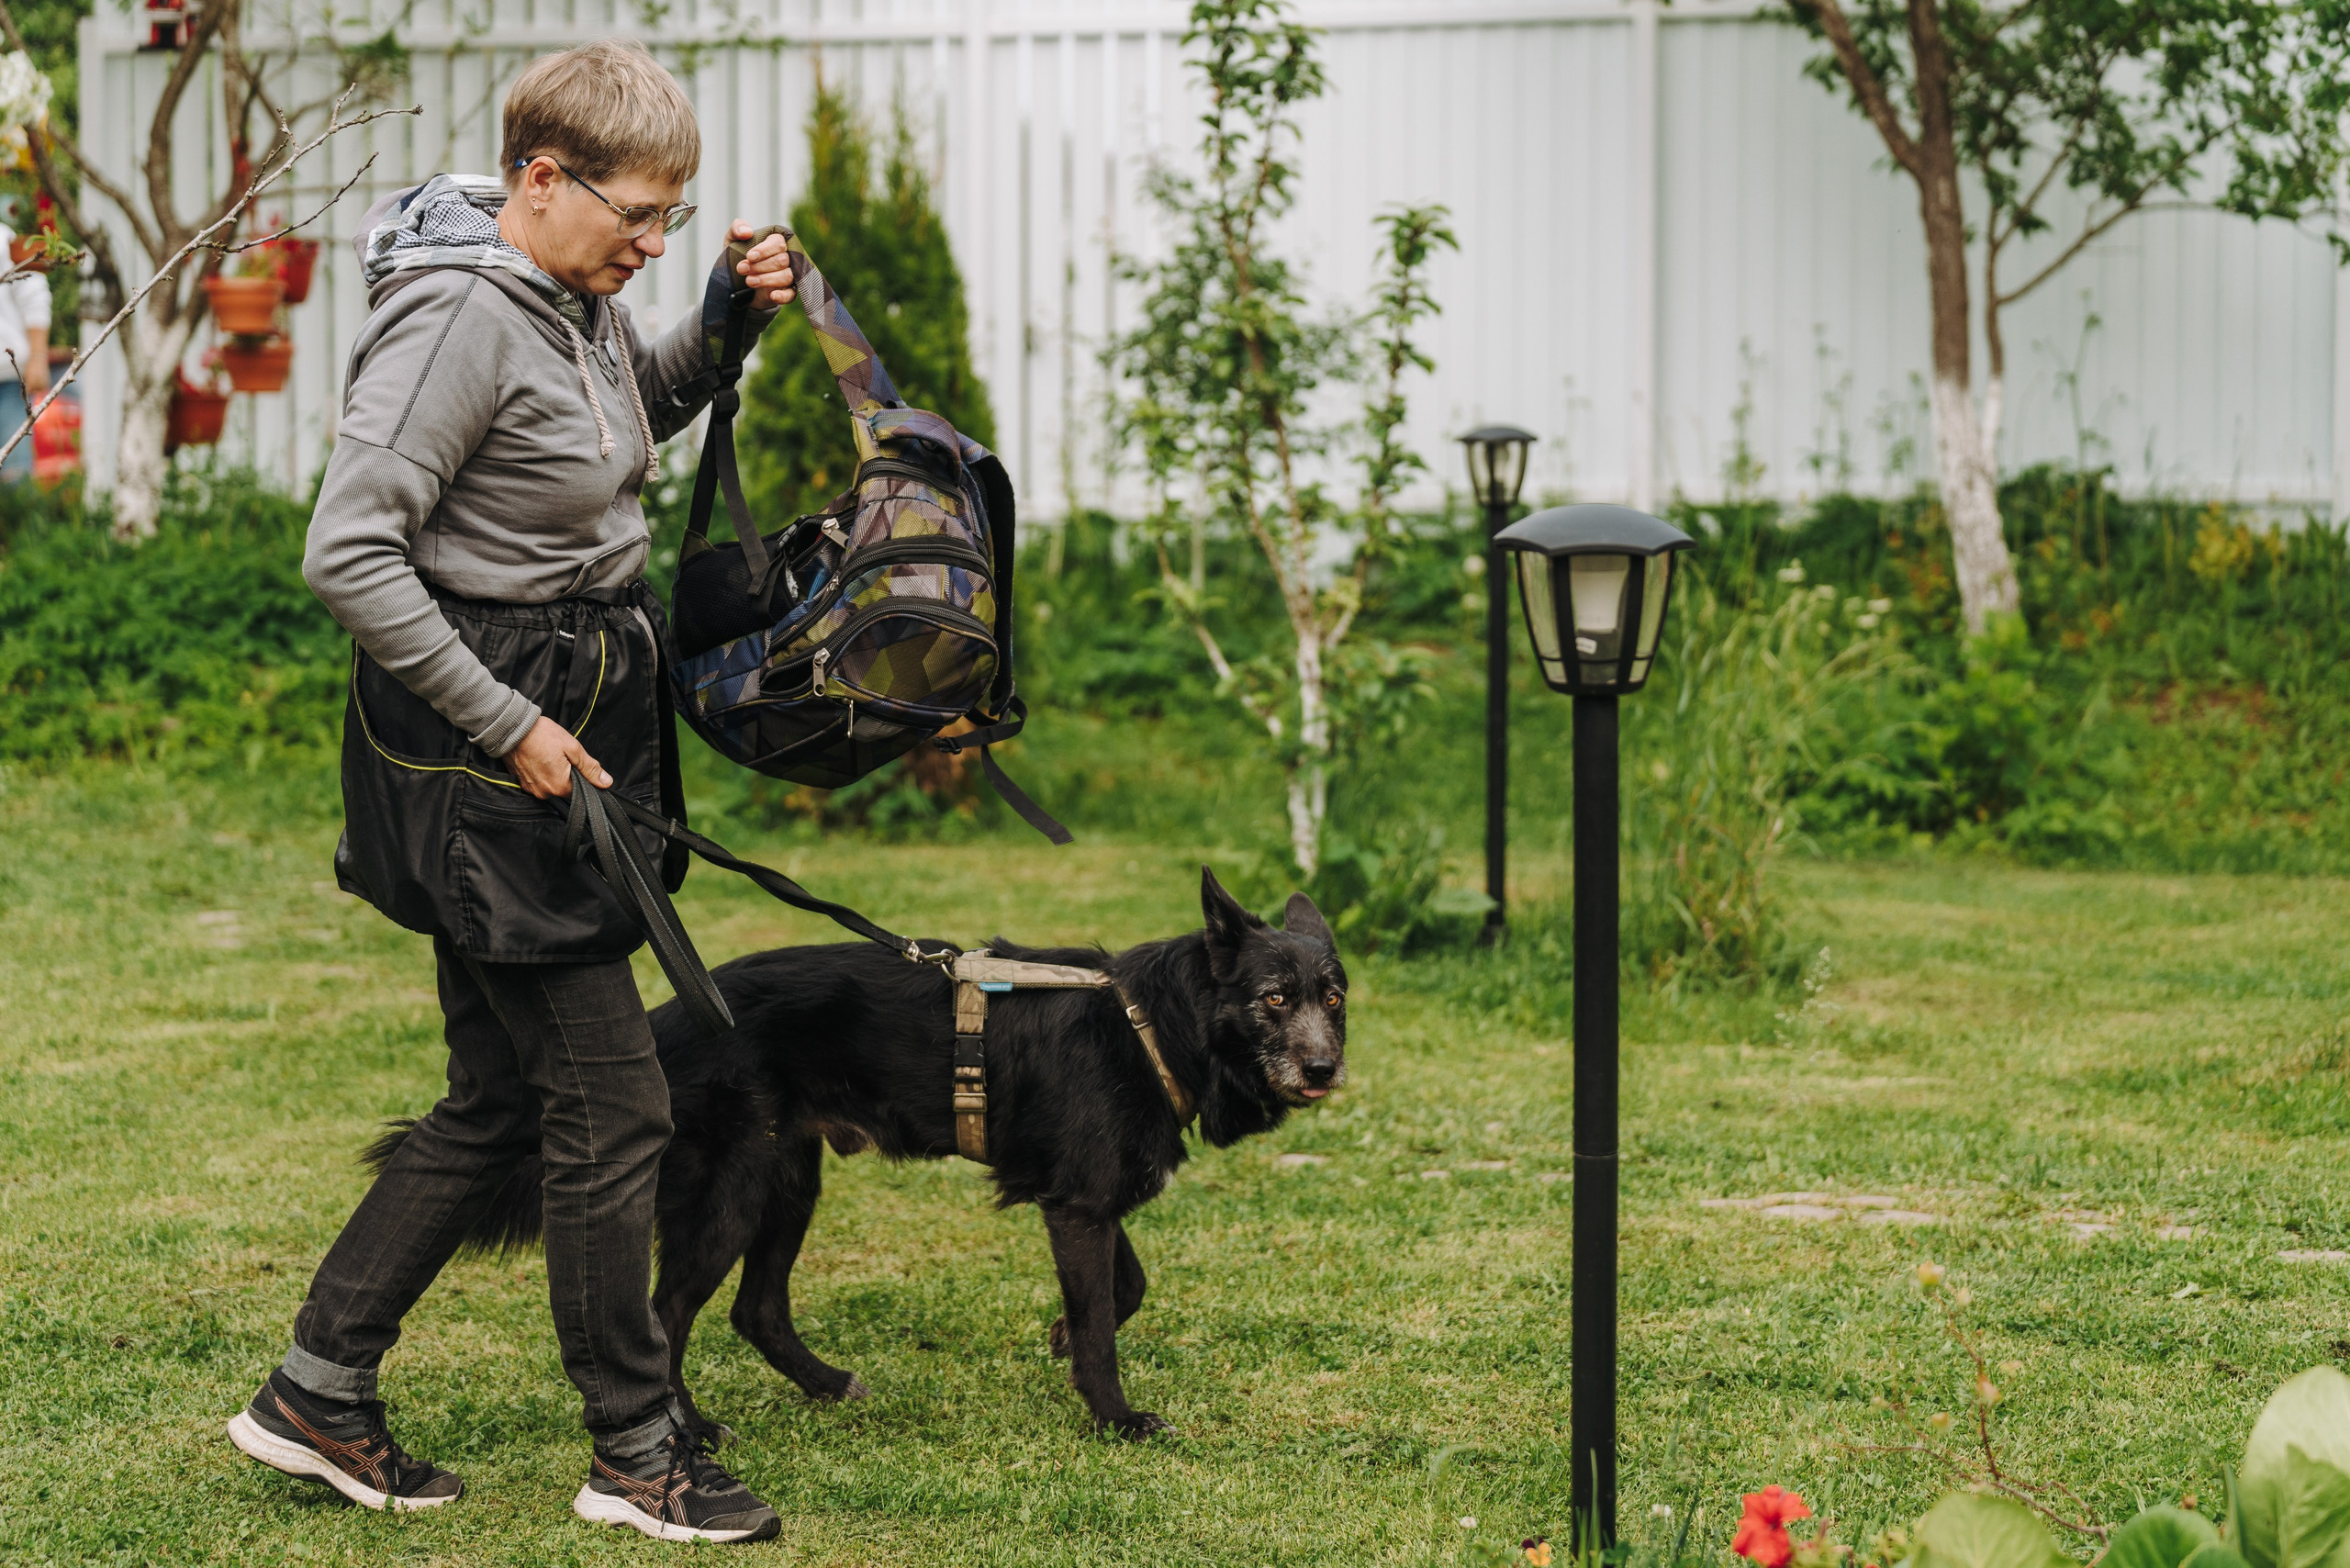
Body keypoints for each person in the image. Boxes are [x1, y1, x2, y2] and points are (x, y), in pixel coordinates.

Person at [224, 40, 798, 1545]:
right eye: (638, 211)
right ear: (537, 179)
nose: (655, 242)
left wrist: (723, 317)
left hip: (549, 728)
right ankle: (634, 1444)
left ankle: (314, 1390)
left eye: (677, 216)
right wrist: (512, 726)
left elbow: (611, 435)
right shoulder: (459, 319)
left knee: (496, 1100)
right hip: (492, 761)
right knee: (615, 1106)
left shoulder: (574, 298)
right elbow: (348, 551)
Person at [0, 220, 49, 483]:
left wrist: (38, 358)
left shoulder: (3, 240)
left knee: (14, 473)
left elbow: (34, 296)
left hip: (8, 379)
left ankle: (20, 522)